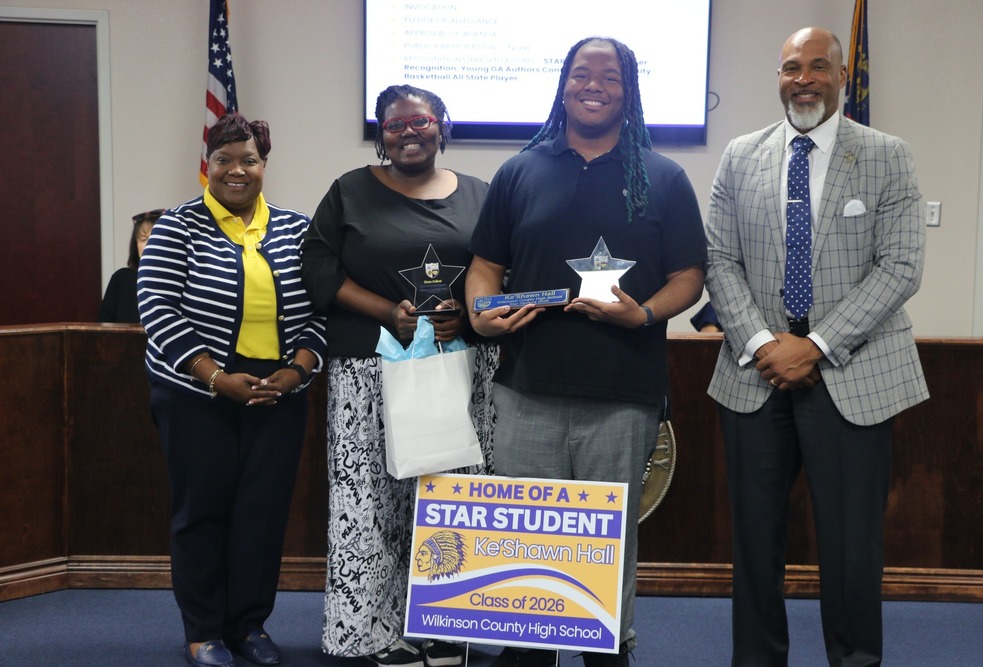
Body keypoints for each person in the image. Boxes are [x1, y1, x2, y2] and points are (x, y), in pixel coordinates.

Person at [466, 37, 707, 667]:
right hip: (526, 391)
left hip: (621, 394)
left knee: (605, 544)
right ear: (563, 85)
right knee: (529, 543)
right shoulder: (521, 170)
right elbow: (485, 265)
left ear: (629, 91)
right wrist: (481, 315)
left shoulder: (664, 177)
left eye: (609, 77)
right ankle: (526, 654)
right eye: (581, 74)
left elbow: (689, 275)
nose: (593, 85)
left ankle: (608, 651)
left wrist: (645, 313)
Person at [704, 27, 929, 666]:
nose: (803, 78)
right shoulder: (741, 155)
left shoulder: (886, 154)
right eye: (790, 68)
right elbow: (719, 259)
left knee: (852, 547)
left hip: (854, 377)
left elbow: (901, 266)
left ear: (839, 76)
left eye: (818, 67)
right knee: (753, 545)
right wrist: (760, 343)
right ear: (779, 77)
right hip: (754, 376)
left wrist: (818, 345)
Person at [301, 84, 499, 667]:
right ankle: (374, 631)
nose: (408, 133)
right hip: (371, 370)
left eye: (420, 122)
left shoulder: (481, 195)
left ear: (441, 126)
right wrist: (387, 311)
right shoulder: (349, 190)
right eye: (394, 126)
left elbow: (497, 267)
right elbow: (317, 269)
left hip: (457, 366)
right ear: (381, 134)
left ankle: (443, 626)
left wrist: (465, 315)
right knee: (372, 501)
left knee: (446, 498)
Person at [137, 113, 326, 667]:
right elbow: (159, 311)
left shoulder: (296, 228)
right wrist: (216, 378)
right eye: (224, 160)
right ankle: (203, 631)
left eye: (249, 159)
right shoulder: (178, 226)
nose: (236, 170)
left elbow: (320, 311)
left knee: (262, 514)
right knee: (203, 512)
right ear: (208, 167)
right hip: (197, 390)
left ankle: (250, 627)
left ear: (264, 166)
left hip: (277, 389)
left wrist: (296, 373)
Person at [98, 208, 163, 322]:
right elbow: (104, 329)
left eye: (155, 237)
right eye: (143, 239)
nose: (149, 244)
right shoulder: (121, 279)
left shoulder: (185, 279)